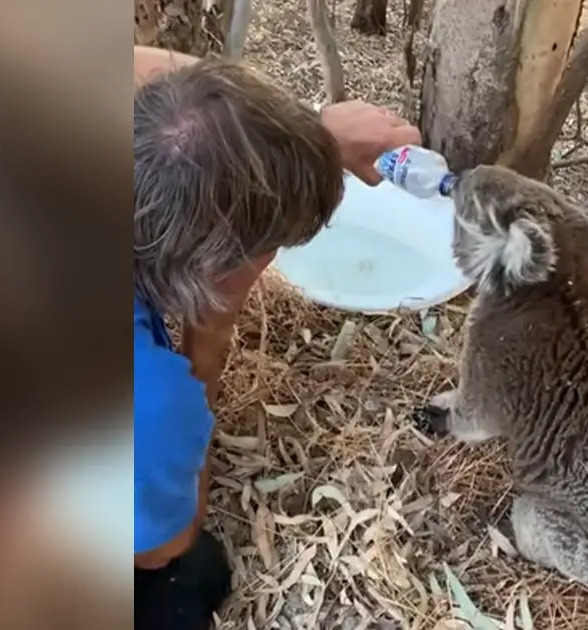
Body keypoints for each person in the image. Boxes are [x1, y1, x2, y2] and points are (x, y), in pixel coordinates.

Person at [132, 46, 421, 630]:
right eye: (272, 246)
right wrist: (207, 342)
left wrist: (306, 138)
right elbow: (156, 548)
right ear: (216, 268)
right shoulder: (152, 401)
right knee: (187, 578)